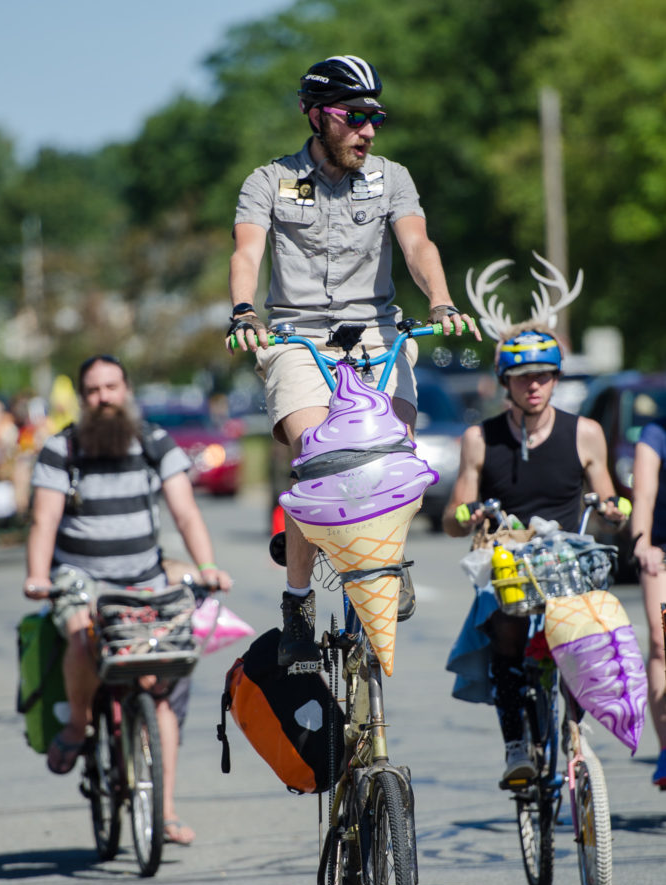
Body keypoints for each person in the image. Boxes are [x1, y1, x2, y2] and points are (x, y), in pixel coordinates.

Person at [227, 53, 480, 665]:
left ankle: (392, 561)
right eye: (354, 116)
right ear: (316, 115)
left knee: (396, 456)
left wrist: (442, 300)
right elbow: (246, 254)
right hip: (295, 338)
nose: (368, 130)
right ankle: (296, 602)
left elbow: (417, 244)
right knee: (321, 462)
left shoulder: (392, 177)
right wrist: (243, 311)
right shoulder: (269, 180)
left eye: (376, 117)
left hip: (376, 334)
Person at [23, 354, 232, 845]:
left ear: (127, 389)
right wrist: (37, 576)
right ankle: (77, 725)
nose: (105, 398)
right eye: (94, 390)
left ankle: (164, 810)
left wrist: (206, 568)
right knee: (82, 640)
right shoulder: (62, 448)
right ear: (82, 398)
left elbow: (185, 511)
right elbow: (44, 521)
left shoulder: (154, 442)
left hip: (144, 580)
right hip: (81, 580)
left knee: (160, 679)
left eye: (112, 387)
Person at [442, 261, 627, 784]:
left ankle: (574, 730)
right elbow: (455, 521)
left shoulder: (585, 433)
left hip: (568, 562)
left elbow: (608, 500)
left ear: (555, 377)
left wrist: (612, 510)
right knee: (504, 627)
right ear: (507, 381)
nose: (534, 386)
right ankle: (516, 745)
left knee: (591, 633)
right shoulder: (481, 438)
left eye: (543, 375)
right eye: (523, 377)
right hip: (510, 564)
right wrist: (467, 514)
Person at [630, 421, 666, 786]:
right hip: (662, 551)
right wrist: (642, 543)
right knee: (661, 638)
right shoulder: (656, 434)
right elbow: (643, 496)